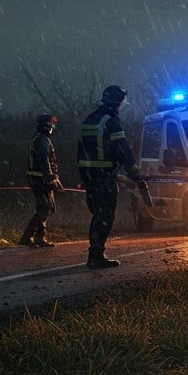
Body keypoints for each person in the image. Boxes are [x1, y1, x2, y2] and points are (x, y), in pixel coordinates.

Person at [76, 85, 145, 269]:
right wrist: (134, 173)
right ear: (118, 102)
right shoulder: (111, 122)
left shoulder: (90, 119)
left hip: (91, 177)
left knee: (98, 214)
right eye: (123, 101)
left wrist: (85, 175)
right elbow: (123, 150)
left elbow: (81, 150)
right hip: (105, 177)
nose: (124, 105)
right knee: (105, 215)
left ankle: (95, 253)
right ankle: (96, 256)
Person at [20, 113, 62, 248]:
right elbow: (44, 159)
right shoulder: (41, 140)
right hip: (39, 179)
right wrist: (50, 177)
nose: (53, 128)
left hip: (40, 178)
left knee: (47, 207)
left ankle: (39, 237)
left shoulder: (40, 138)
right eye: (52, 125)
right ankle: (28, 236)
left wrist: (55, 178)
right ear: (47, 126)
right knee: (45, 208)